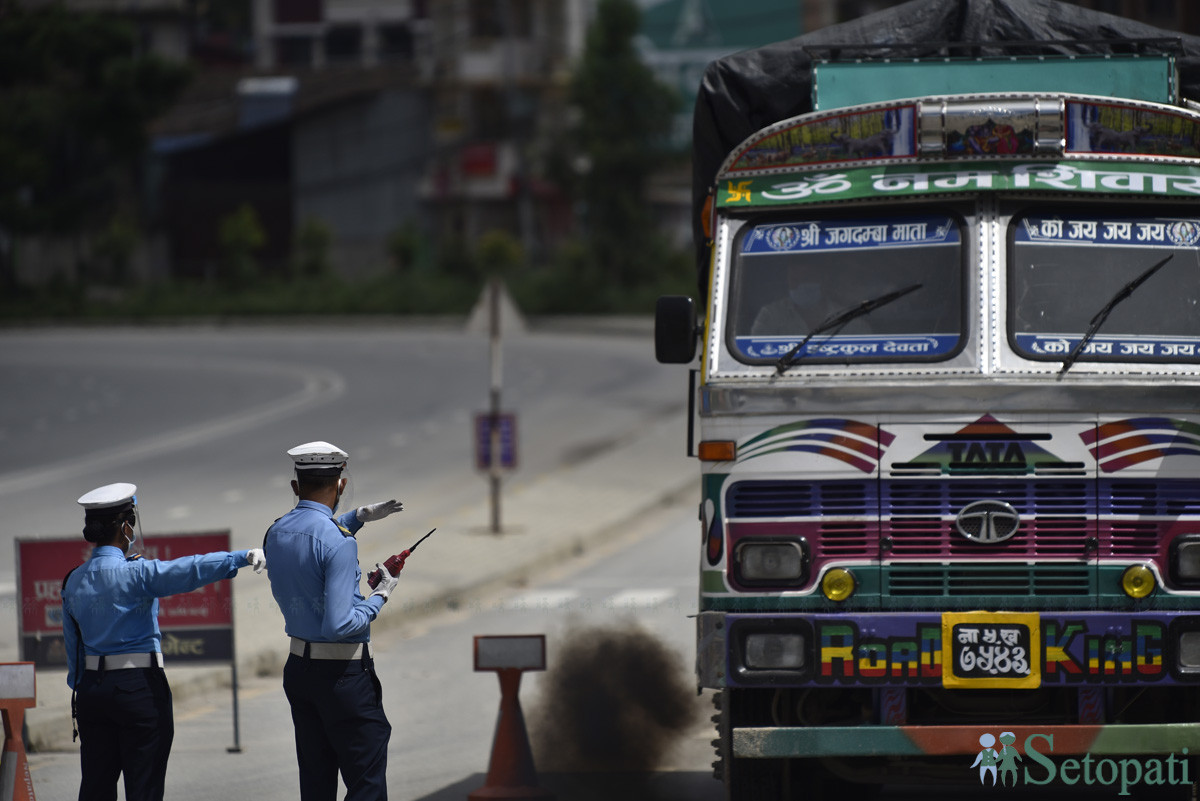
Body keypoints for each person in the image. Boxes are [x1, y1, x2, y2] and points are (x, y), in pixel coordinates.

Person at [61, 482, 266, 801]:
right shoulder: (134, 573)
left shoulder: (73, 579)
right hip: (138, 688)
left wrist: (82, 684)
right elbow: (190, 570)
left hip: (91, 691)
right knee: (144, 786)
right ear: (126, 526)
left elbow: (72, 644)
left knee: (96, 787)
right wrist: (241, 557)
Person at [263, 441, 405, 801]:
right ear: (340, 484)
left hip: (299, 669)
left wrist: (357, 517)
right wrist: (380, 597)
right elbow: (340, 626)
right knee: (366, 781)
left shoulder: (275, 532)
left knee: (316, 779)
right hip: (343, 678)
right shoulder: (339, 543)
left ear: (296, 487)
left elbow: (312, 537)